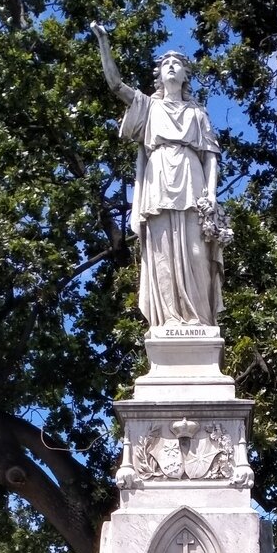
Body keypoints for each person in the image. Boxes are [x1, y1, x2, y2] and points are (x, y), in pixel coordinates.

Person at [91, 22, 224, 328]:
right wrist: (104, 42)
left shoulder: (197, 113)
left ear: (185, 75)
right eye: (166, 64)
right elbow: (115, 84)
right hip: (159, 179)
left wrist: (212, 196)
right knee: (162, 253)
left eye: (177, 63)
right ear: (160, 74)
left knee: (195, 252)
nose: (172, 67)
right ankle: (169, 320)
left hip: (192, 180)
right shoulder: (148, 107)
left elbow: (211, 157)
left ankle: (199, 319)